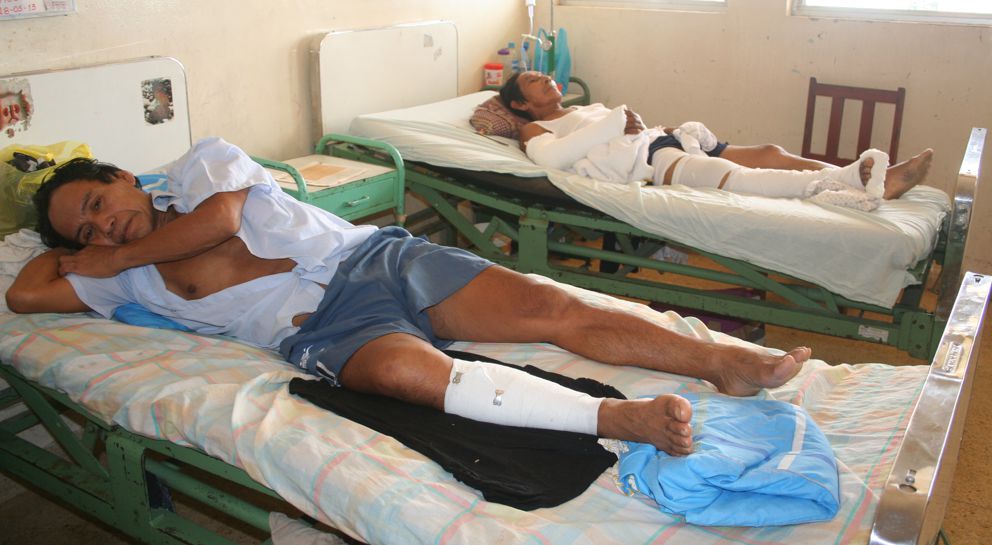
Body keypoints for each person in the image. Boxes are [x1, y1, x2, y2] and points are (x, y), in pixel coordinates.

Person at [5, 137, 811, 457]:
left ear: (126, 176)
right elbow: (24, 297)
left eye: (99, 202)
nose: (104, 227)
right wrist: (73, 254)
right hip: (325, 326)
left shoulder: (197, 169)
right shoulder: (120, 279)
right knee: (402, 375)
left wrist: (113, 253)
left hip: (379, 258)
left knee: (550, 308)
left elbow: (222, 220)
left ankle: (720, 361)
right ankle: (617, 418)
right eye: (86, 229)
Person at [500, 71, 933, 202]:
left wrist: (640, 126)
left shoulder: (582, 108)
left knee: (769, 152)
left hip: (662, 140)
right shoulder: (534, 128)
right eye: (534, 81)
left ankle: (857, 173)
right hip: (652, 163)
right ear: (521, 104)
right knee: (736, 177)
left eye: (544, 76)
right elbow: (552, 160)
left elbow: (620, 132)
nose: (546, 79)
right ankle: (863, 183)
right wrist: (616, 123)